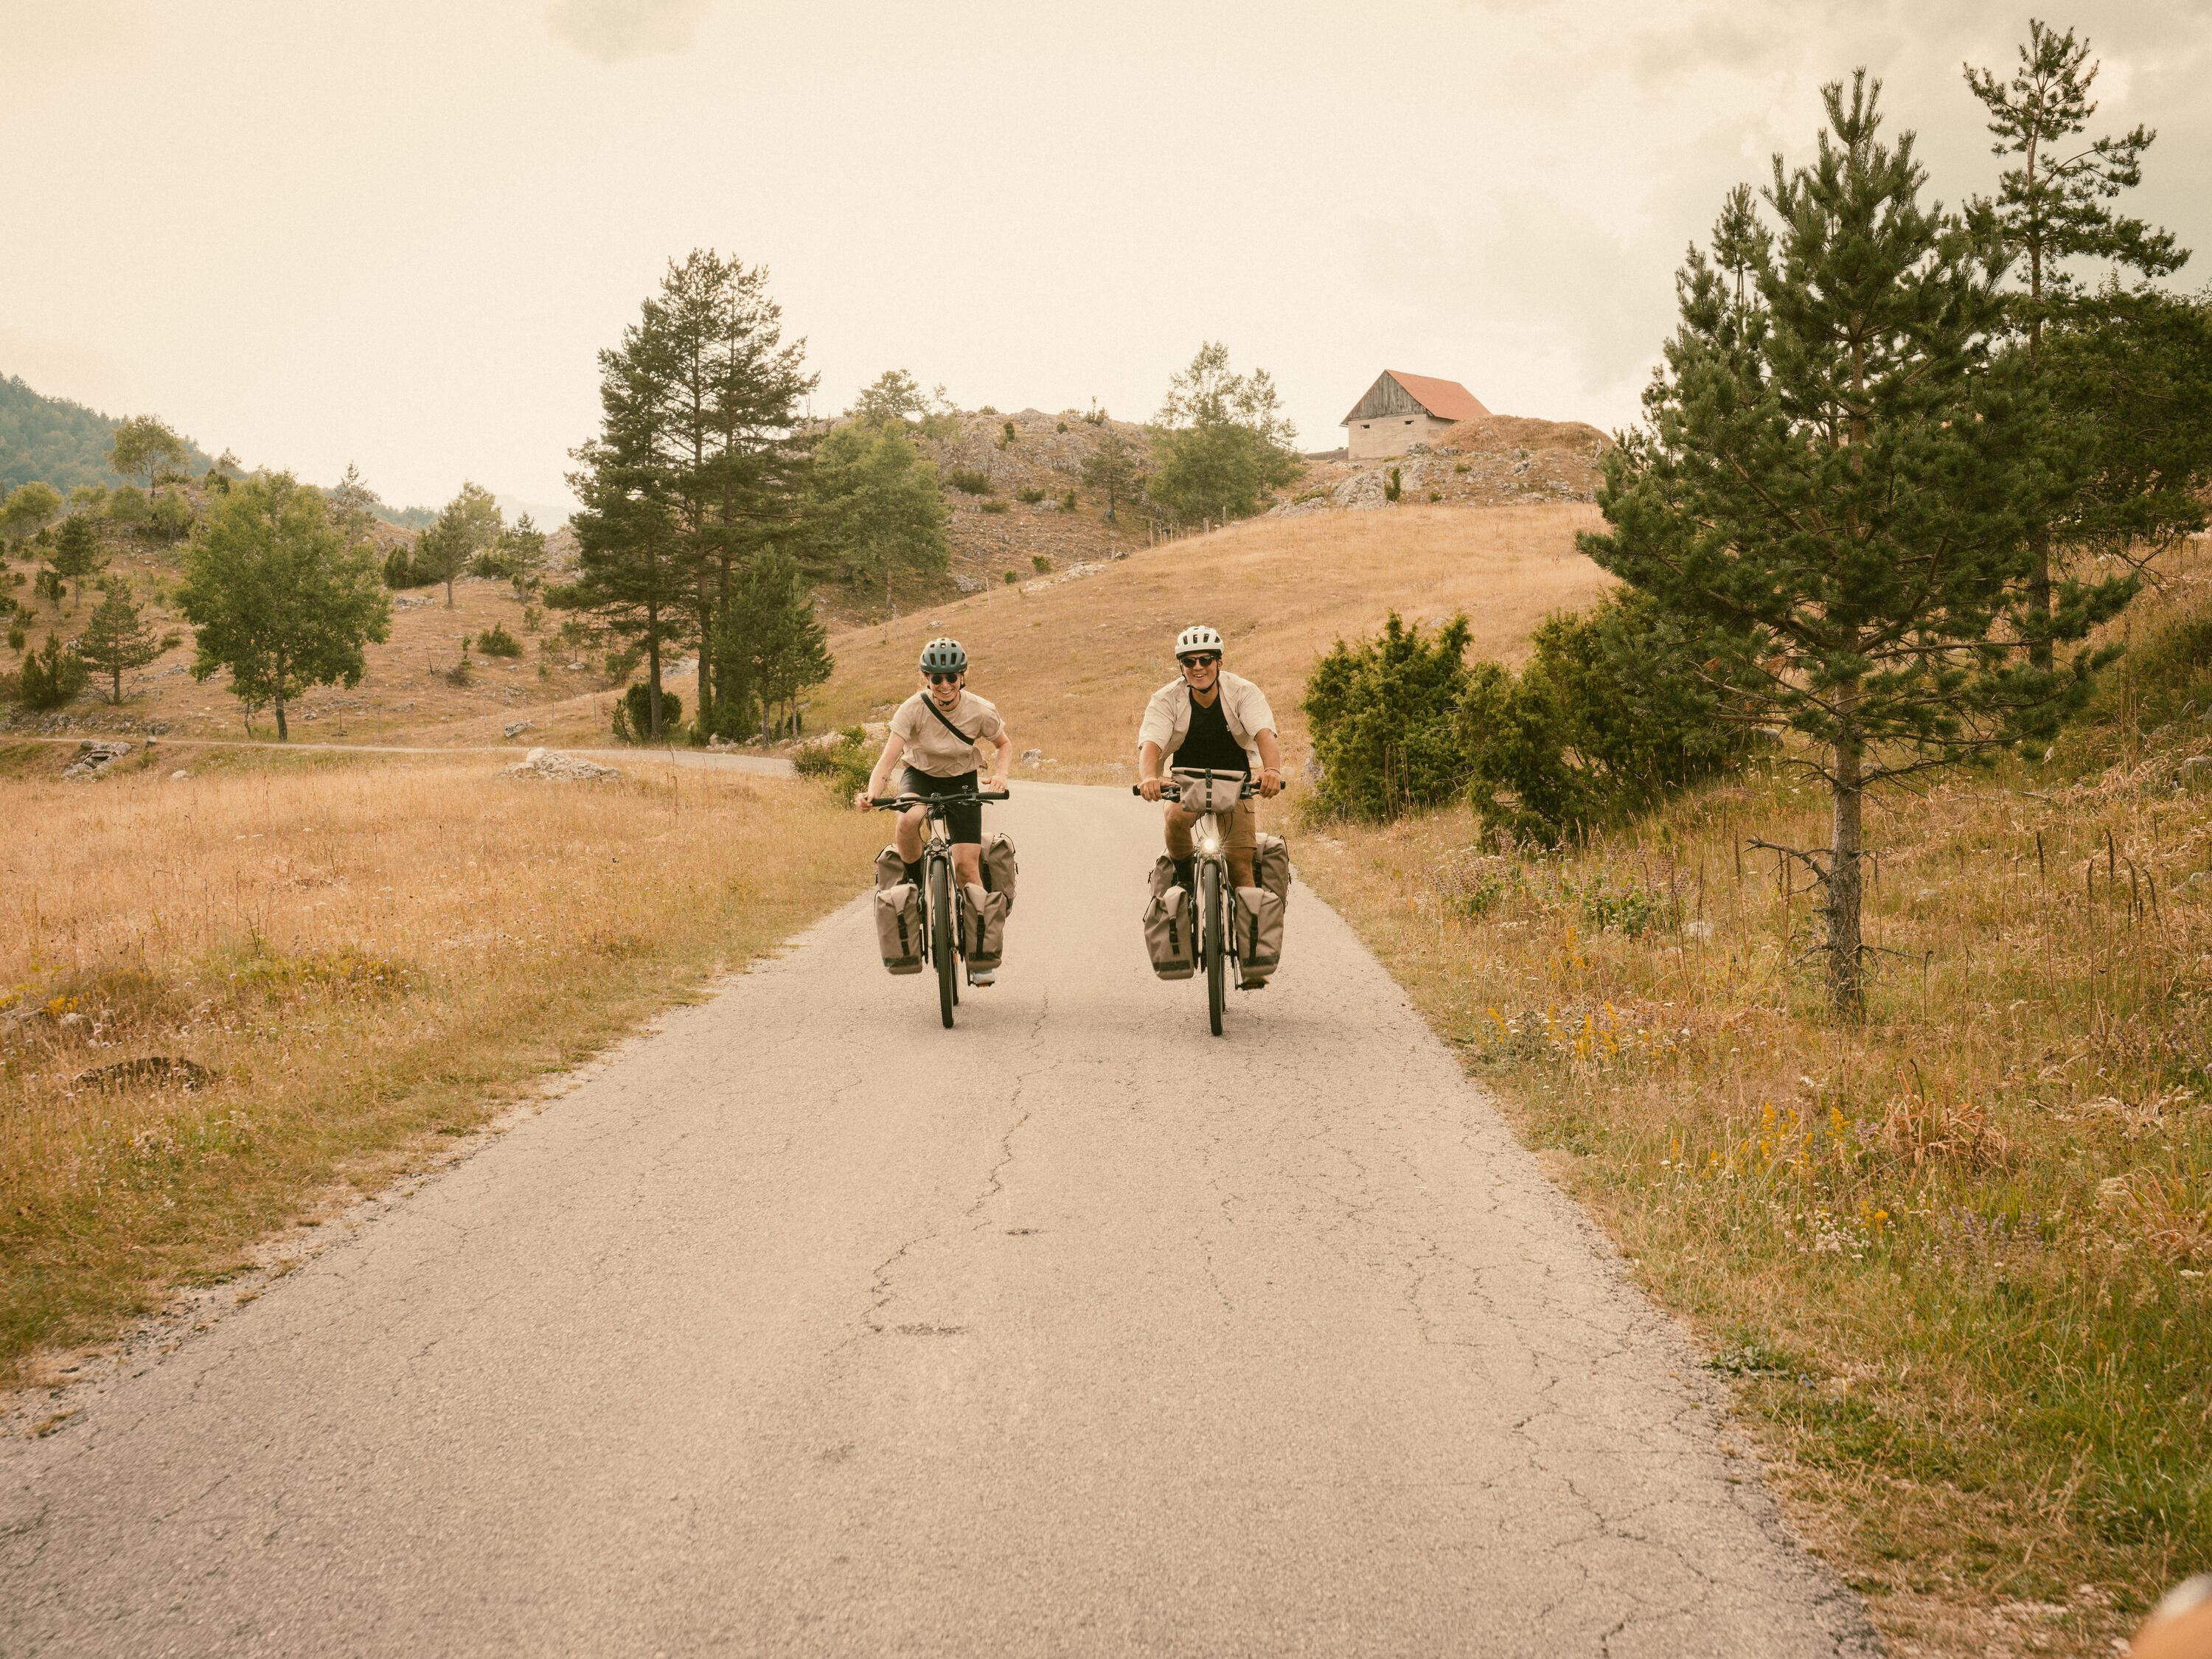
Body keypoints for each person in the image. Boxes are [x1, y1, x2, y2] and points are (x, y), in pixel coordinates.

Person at [856, 637, 1015, 984]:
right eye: (936, 679)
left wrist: (1000, 776)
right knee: (908, 821)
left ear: (963, 677)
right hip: (921, 776)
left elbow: (1003, 744)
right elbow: (889, 759)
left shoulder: (980, 709)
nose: (944, 686)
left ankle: (979, 956)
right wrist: (872, 794)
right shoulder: (912, 709)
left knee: (966, 867)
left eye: (952, 678)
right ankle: (913, 889)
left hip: (962, 779)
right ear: (926, 679)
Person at [1136, 625, 1284, 986]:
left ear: (1219, 661)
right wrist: (1149, 778)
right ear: (1181, 666)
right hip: (1186, 780)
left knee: (1239, 864)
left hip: (1237, 782)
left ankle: (1251, 960)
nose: (1198, 667)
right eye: (1189, 661)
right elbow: (1151, 744)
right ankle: (1185, 876)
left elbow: (1264, 732)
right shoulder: (1166, 698)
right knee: (1173, 818)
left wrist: (1272, 771)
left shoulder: (1243, 692)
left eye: (1205, 660)